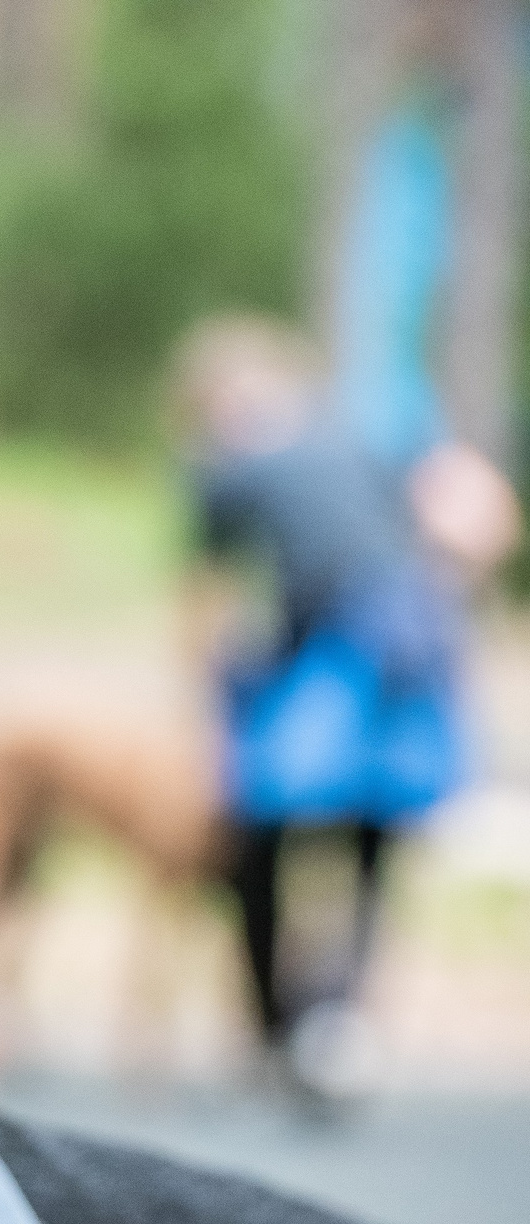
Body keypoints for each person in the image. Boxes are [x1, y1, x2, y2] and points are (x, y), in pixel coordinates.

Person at [175, 316, 513, 1100]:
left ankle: (276, 1028)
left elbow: (205, 596)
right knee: (370, 844)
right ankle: (337, 1024)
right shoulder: (359, 440)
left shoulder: (233, 465)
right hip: (413, 645)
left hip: (336, 656)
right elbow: (468, 514)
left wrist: (208, 704)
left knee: (263, 833)